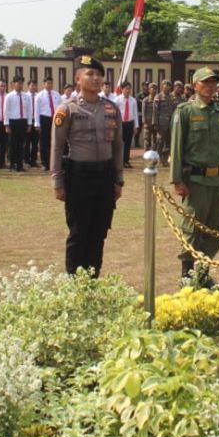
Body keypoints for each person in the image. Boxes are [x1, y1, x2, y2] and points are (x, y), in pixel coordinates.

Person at [51, 55, 124, 276]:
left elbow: (119, 146)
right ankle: (74, 281)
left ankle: (92, 279)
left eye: (99, 75)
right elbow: (56, 146)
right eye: (90, 74)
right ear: (78, 79)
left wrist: (118, 179)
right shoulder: (68, 110)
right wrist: (57, 181)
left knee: (99, 230)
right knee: (78, 231)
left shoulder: (111, 108)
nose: (96, 78)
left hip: (105, 176)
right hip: (78, 177)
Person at [170, 66, 219, 288]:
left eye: (214, 83)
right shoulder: (185, 111)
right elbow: (176, 147)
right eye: (206, 82)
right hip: (195, 181)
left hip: (217, 181)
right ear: (195, 85)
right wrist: (177, 180)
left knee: (214, 228)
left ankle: (203, 274)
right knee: (192, 228)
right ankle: (187, 276)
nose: (210, 87)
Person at [4, 76, 33, 172]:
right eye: (18, 83)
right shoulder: (9, 96)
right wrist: (7, 125)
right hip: (13, 122)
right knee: (13, 144)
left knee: (22, 145)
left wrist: (29, 124)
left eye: (21, 83)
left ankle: (20, 165)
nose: (20, 85)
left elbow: (29, 111)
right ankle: (12, 164)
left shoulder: (26, 96)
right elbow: (6, 111)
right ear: (13, 84)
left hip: (23, 122)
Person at [35, 76, 62, 172]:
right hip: (44, 118)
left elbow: (60, 109)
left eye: (51, 83)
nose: (49, 85)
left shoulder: (57, 94)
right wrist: (37, 124)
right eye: (47, 83)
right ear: (44, 84)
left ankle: (53, 162)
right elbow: (36, 110)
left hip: (54, 118)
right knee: (44, 142)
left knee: (53, 141)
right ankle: (44, 163)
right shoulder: (39, 95)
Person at [114, 82, 138, 168]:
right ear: (122, 89)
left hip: (130, 124)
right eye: (126, 88)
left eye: (129, 88)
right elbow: (114, 113)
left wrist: (136, 126)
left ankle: (126, 161)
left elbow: (135, 114)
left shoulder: (133, 100)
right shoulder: (117, 100)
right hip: (120, 124)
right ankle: (119, 161)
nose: (128, 90)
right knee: (120, 144)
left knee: (128, 144)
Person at [154, 80, 178, 166]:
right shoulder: (158, 97)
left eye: (168, 86)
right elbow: (155, 111)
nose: (167, 88)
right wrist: (155, 123)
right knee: (160, 141)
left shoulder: (172, 97)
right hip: (161, 123)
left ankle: (165, 160)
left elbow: (175, 110)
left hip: (171, 123)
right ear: (162, 87)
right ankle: (157, 159)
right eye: (165, 86)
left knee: (169, 142)